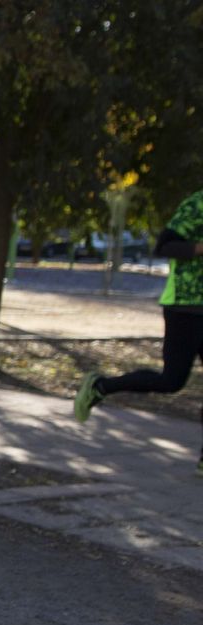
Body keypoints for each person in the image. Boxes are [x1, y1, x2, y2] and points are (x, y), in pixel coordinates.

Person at [75, 187, 203, 474]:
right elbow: (164, 246)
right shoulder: (197, 205)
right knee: (172, 381)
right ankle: (100, 387)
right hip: (186, 307)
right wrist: (199, 248)